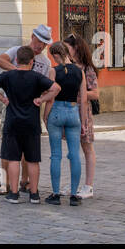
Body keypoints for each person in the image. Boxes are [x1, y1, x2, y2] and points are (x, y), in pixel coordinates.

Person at [0, 46, 58, 204]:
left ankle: (14, 194)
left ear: (16, 60)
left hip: (12, 123)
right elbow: (56, 88)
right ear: (32, 62)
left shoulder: (8, 75)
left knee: (13, 159)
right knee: (32, 160)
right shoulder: (36, 77)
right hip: (31, 124)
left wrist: (2, 98)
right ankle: (35, 195)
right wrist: (41, 100)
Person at [0, 24, 54, 192]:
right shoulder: (16, 51)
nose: (40, 45)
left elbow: (48, 87)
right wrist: (18, 71)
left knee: (29, 147)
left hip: (32, 106)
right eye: (39, 41)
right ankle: (4, 182)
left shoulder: (45, 62)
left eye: (44, 43)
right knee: (8, 144)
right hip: (11, 103)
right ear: (32, 36)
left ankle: (25, 181)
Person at [43, 42, 84, 206]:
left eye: (53, 56)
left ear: (56, 55)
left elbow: (51, 96)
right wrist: (84, 121)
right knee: (75, 155)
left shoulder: (54, 71)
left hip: (58, 111)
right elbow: (84, 98)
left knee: (56, 155)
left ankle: (55, 194)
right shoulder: (79, 71)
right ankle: (74, 195)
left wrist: (45, 117)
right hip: (74, 112)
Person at [69, 32, 100, 199]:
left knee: (87, 147)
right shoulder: (69, 67)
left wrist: (80, 94)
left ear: (76, 49)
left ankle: (88, 185)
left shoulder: (88, 69)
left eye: (68, 49)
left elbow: (96, 93)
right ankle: (74, 182)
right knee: (72, 150)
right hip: (70, 111)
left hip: (84, 113)